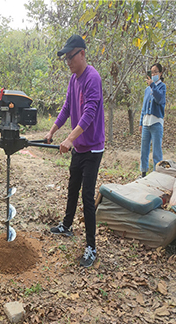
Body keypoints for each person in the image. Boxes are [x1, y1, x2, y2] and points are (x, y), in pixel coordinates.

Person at [44, 35, 106, 268]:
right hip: (79, 146)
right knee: (72, 187)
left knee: (86, 197)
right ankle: (67, 226)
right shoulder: (73, 79)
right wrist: (52, 131)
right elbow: (67, 108)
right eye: (66, 58)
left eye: (71, 56)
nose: (68, 61)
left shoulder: (92, 78)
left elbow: (89, 114)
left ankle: (91, 246)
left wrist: (69, 139)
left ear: (82, 54)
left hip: (92, 148)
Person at [139, 63, 166, 177]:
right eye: (152, 72)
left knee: (156, 151)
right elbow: (144, 107)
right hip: (146, 123)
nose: (153, 74)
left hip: (156, 123)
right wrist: (141, 122)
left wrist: (153, 86)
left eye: (156, 72)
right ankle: (143, 173)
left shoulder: (161, 86)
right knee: (144, 150)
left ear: (160, 73)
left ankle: (157, 174)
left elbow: (159, 99)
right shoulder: (146, 90)